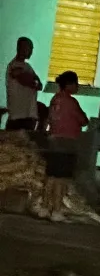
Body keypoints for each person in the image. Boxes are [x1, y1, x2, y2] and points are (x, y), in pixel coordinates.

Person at [37, 71, 88, 222]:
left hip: (53, 140)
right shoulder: (71, 102)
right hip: (66, 142)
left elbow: (48, 119)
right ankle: (57, 210)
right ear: (69, 84)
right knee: (61, 178)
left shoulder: (55, 99)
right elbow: (83, 120)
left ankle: (45, 208)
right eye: (75, 83)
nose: (77, 86)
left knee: (51, 176)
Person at [5, 37, 41, 131]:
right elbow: (27, 81)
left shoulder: (28, 66)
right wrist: (33, 81)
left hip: (29, 115)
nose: (31, 51)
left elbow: (38, 84)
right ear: (21, 48)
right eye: (29, 48)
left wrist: (33, 81)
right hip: (18, 116)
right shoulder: (13, 66)